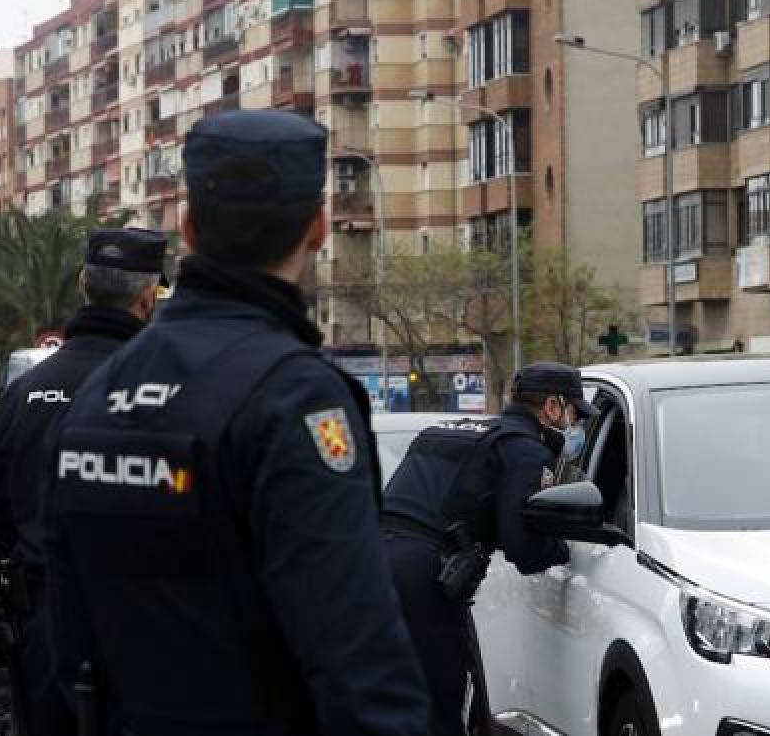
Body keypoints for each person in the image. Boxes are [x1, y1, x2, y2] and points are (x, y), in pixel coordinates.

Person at [43, 109, 430, 736]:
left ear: (189, 229)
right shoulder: (296, 399)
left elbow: (65, 636)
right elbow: (358, 657)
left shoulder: (97, 396)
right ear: (319, 227)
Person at [0, 227, 168, 733]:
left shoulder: (23, 392)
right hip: (142, 628)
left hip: (42, 621)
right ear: (149, 296)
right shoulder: (165, 387)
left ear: (84, 285)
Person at [382, 362, 599, 736]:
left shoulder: (447, 431)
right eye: (573, 413)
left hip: (372, 562)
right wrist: (561, 550)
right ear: (552, 405)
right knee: (441, 694)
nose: (572, 424)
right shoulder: (526, 451)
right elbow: (522, 546)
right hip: (424, 576)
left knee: (387, 692)